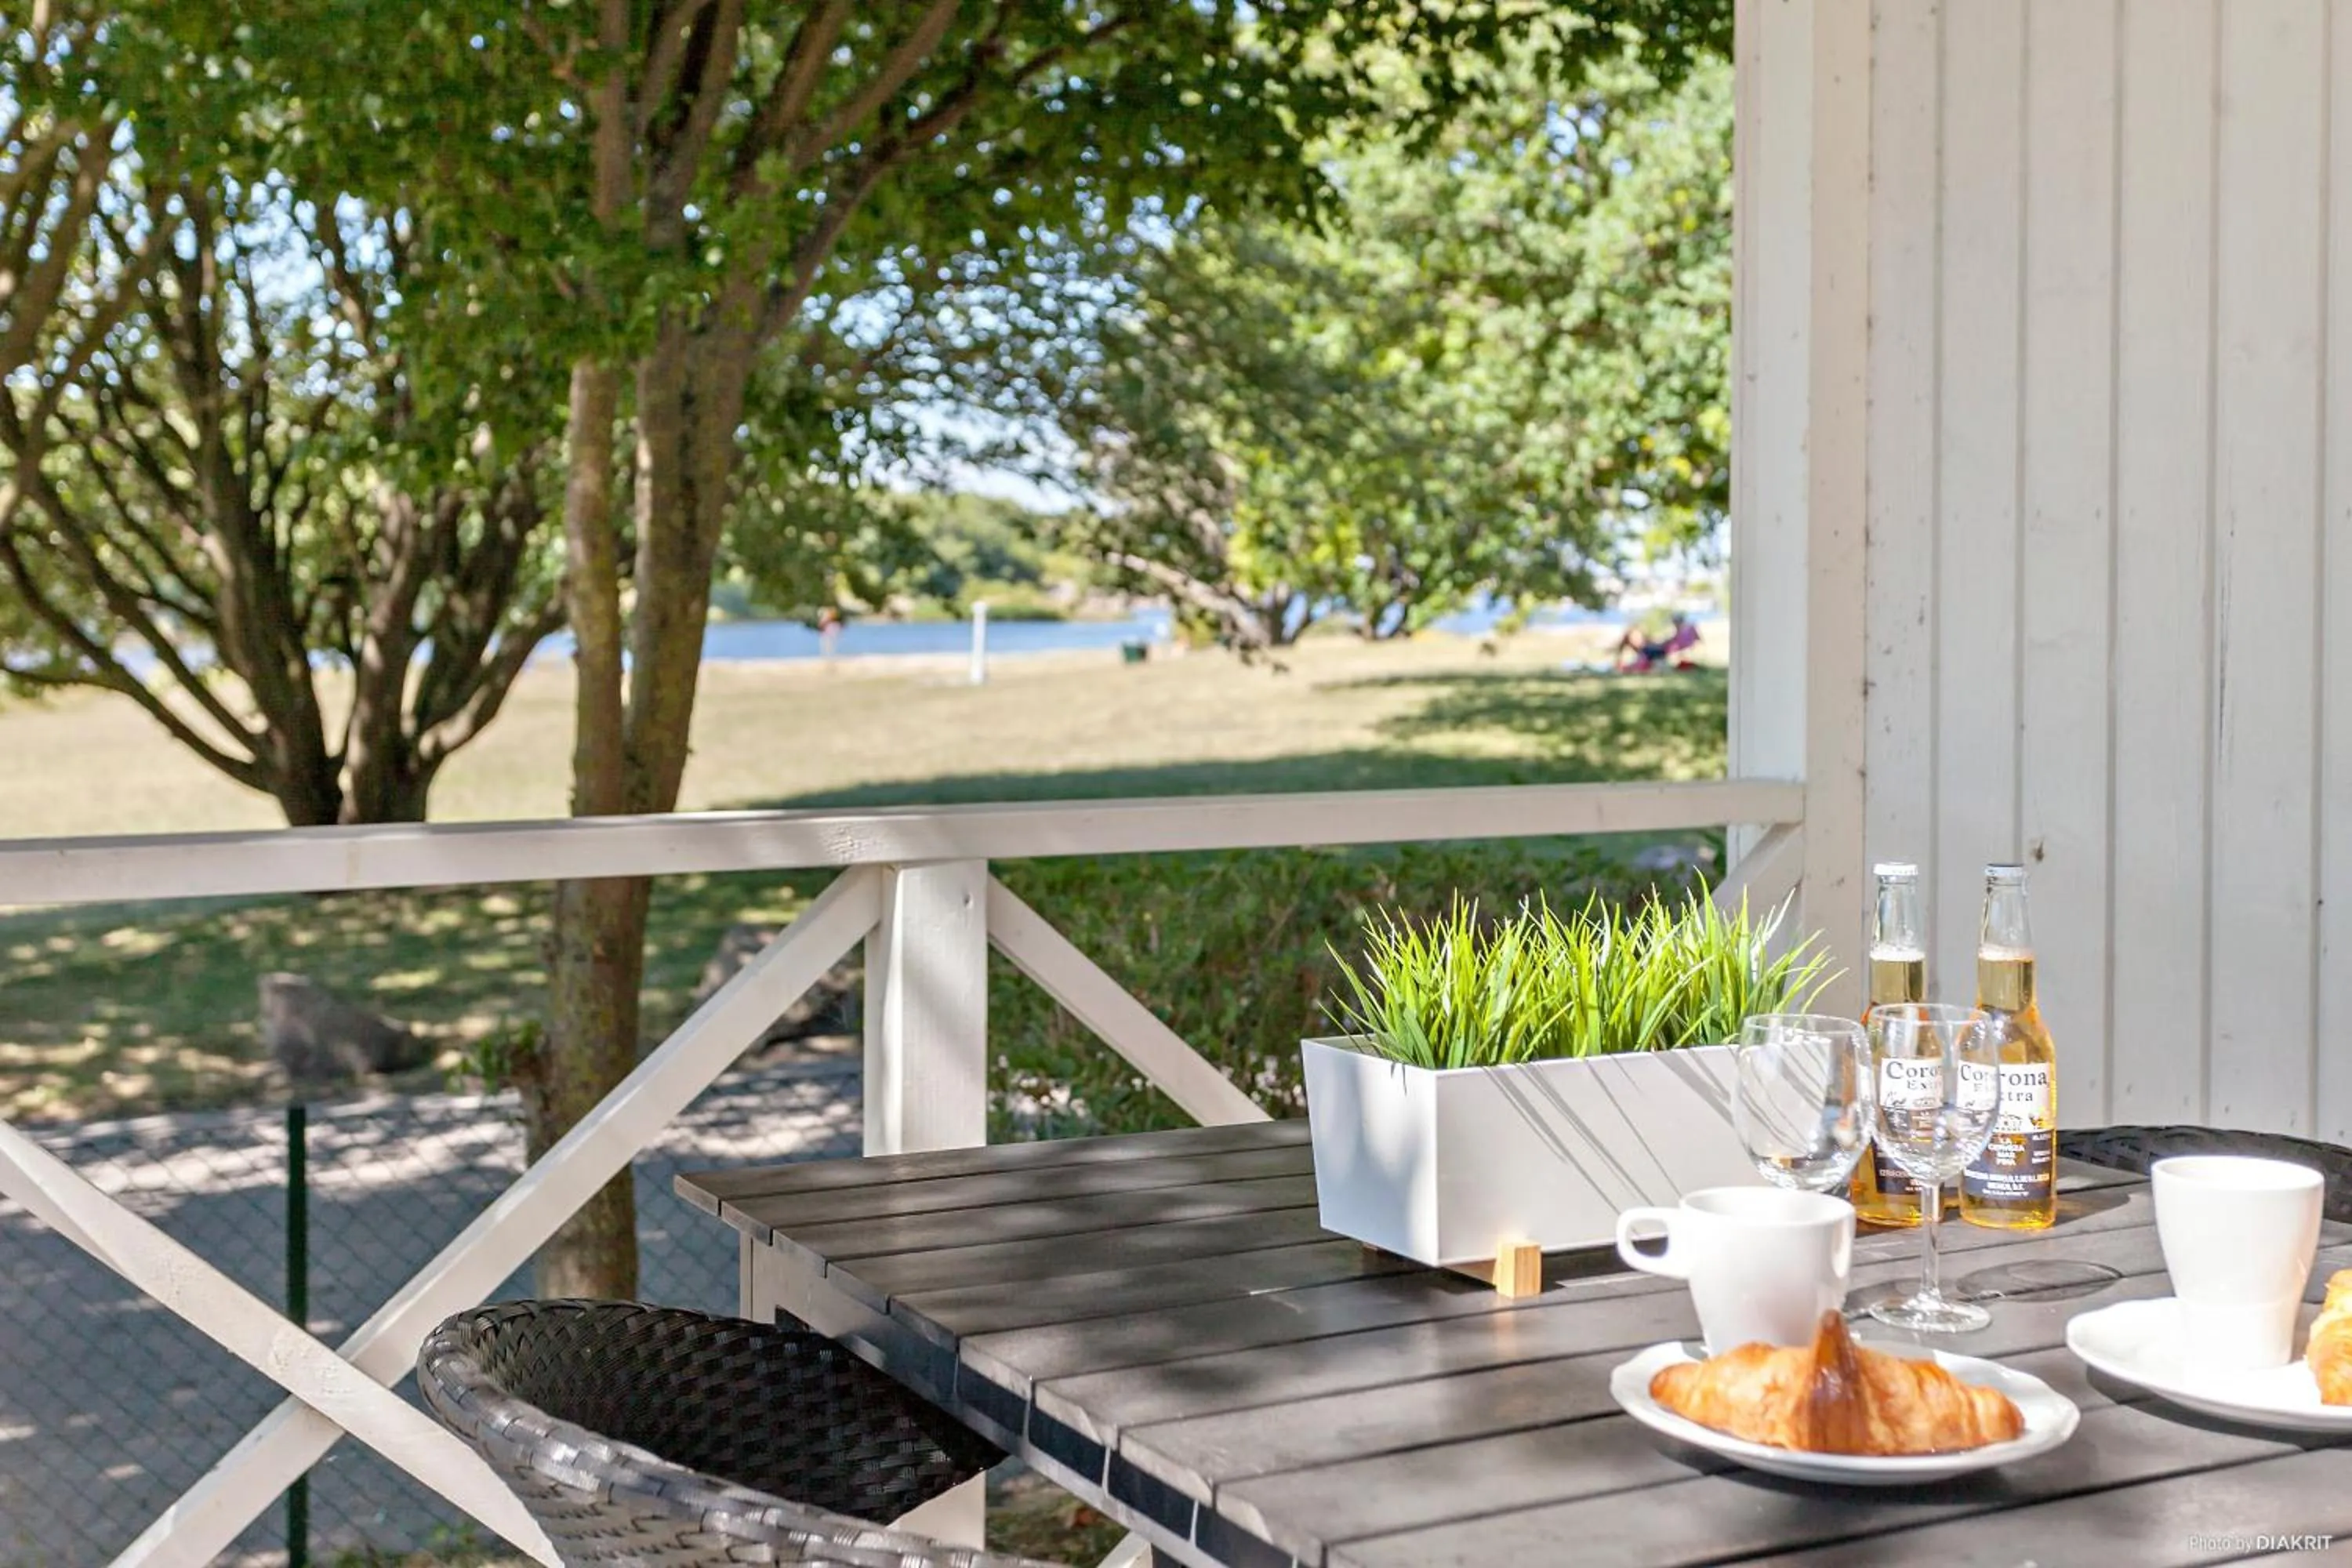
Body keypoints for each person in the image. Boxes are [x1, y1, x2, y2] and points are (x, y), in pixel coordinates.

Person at [1613, 611, 1700, 673]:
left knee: (1647, 649)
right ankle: (1638, 663)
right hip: (1666, 649)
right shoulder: (1688, 629)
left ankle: (1639, 664)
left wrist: (1664, 643)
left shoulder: (1683, 631)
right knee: (1648, 647)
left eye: (1675, 622)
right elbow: (1697, 639)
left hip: (1665, 650)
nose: (1674, 624)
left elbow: (1674, 644)